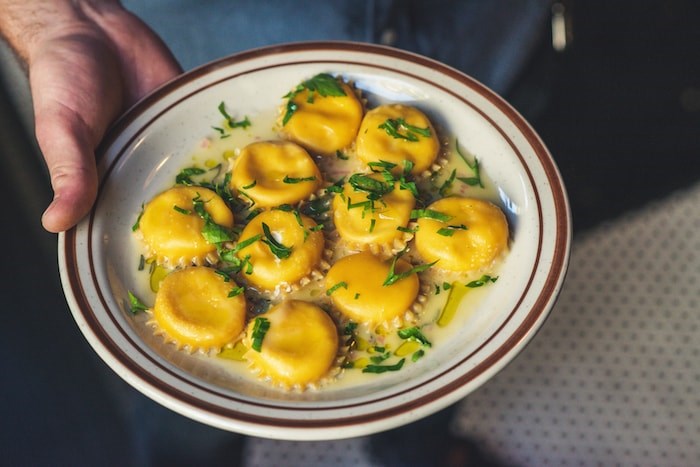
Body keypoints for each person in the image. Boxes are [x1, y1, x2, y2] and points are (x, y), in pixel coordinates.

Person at [0, 1, 553, 465]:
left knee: (432, 389)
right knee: (187, 411)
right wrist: (58, 14)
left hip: (483, 33)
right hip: (198, 44)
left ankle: (419, 453)